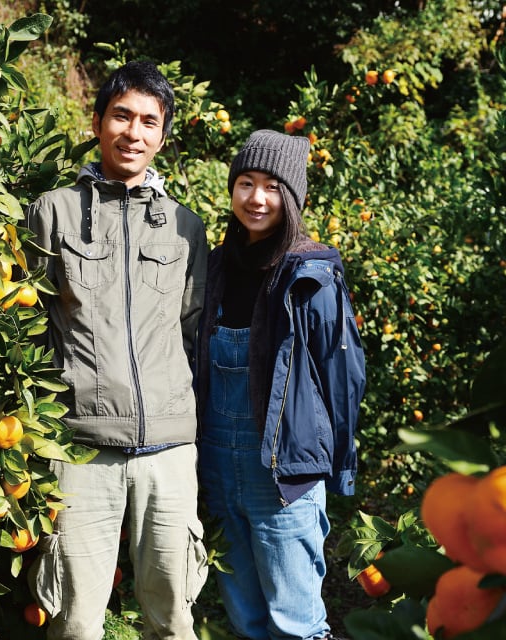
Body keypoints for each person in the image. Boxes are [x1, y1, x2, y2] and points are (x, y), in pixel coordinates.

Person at [25, 60, 209, 640]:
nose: (134, 132)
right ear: (98, 122)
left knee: (173, 619)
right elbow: (27, 324)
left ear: (163, 135)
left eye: (149, 121)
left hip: (169, 451)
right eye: (122, 116)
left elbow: (192, 330)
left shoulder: (185, 227)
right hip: (81, 449)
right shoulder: (53, 212)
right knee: (76, 622)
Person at [196, 129, 366, 640]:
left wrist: (338, 465)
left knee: (296, 623)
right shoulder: (214, 266)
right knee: (245, 618)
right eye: (246, 183)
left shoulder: (311, 275)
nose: (257, 198)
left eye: (272, 186)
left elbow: (343, 378)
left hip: (282, 473)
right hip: (216, 466)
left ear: (293, 197)